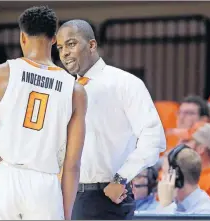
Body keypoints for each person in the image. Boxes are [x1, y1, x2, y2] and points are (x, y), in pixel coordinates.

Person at [0, 6, 87, 220]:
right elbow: (72, 164)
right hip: (44, 185)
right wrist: (65, 214)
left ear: (22, 37)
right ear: (53, 40)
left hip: (4, 176)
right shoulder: (75, 89)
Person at [56, 19, 166, 219]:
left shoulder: (126, 83)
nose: (64, 53)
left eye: (71, 44)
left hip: (106, 197)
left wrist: (121, 178)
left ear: (92, 45)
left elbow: (154, 138)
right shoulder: (63, 90)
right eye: (60, 47)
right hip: (64, 196)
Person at [157, 145, 210, 214]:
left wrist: (165, 206)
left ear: (176, 177)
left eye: (164, 173)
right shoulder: (174, 205)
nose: (161, 179)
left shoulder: (205, 211)